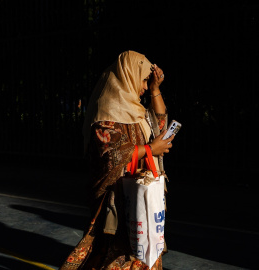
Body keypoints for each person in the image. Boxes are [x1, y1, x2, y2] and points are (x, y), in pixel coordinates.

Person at [60, 51, 174, 270]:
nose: (143, 85)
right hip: (117, 200)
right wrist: (150, 149)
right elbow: (110, 156)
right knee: (111, 255)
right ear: (128, 75)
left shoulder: (137, 109)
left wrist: (155, 90)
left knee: (142, 252)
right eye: (142, 79)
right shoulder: (107, 109)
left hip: (141, 195)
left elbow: (160, 126)